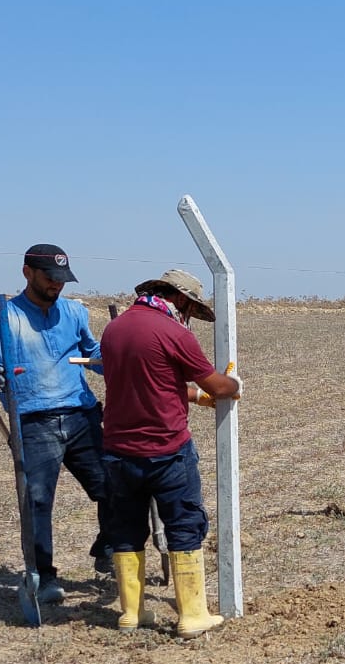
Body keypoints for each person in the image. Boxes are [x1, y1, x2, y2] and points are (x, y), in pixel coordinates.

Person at [100, 269, 242, 638]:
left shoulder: (114, 330)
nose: (189, 317)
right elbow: (217, 385)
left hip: (117, 452)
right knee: (184, 526)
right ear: (180, 299)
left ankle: (131, 614)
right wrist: (233, 384)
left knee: (126, 529)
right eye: (190, 309)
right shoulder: (174, 333)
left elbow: (152, 382)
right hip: (167, 451)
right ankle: (192, 615)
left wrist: (194, 396)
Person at [0, 244, 112, 604]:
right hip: (34, 421)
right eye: (49, 278)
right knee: (36, 501)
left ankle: (108, 547)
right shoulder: (3, 317)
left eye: (62, 279)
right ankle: (44, 576)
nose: (56, 285)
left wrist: (116, 358)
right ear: (27, 272)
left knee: (113, 486)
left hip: (81, 416)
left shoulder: (74, 312)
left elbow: (93, 353)